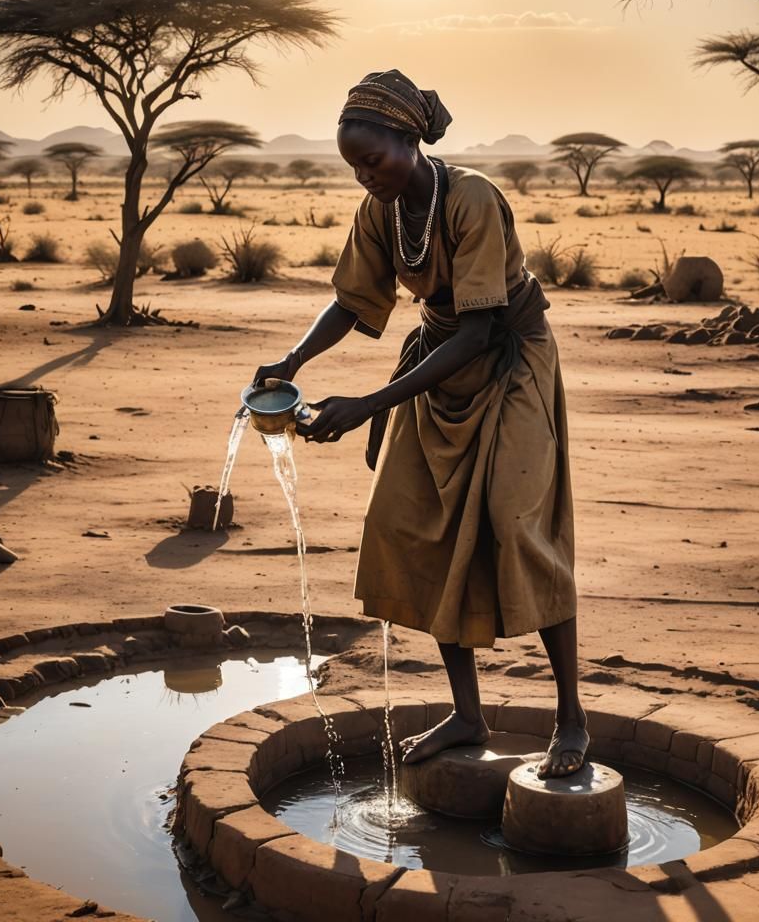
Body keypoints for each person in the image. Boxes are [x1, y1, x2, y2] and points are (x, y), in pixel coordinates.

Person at [252, 69, 588, 778]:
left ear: (409, 140)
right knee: (415, 525)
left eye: (372, 160)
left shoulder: (471, 199)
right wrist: (290, 362)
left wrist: (369, 405)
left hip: (509, 362)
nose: (363, 176)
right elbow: (350, 302)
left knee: (518, 526)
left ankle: (572, 720)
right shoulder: (381, 212)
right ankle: (467, 714)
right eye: (352, 166)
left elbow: (480, 329)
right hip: (438, 362)